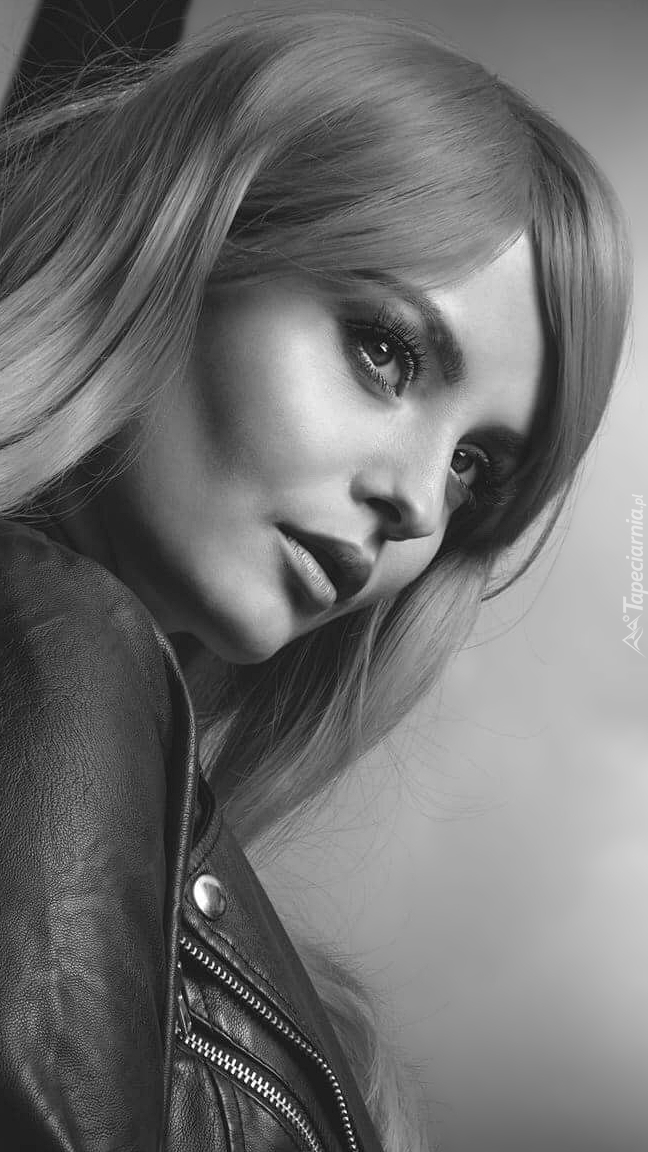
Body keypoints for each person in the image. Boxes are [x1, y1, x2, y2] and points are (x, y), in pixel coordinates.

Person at [0, 7, 632, 1151]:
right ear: (185, 242)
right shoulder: (56, 642)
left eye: (475, 467)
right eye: (386, 350)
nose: (421, 504)